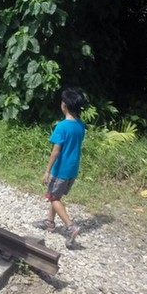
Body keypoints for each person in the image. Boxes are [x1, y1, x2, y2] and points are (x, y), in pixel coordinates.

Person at [36, 87, 87, 244]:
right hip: (73, 169)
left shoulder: (62, 126)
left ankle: (70, 226)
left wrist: (47, 171)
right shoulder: (81, 125)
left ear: (64, 105)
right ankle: (49, 222)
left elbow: (56, 151)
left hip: (60, 170)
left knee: (53, 198)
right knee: (56, 194)